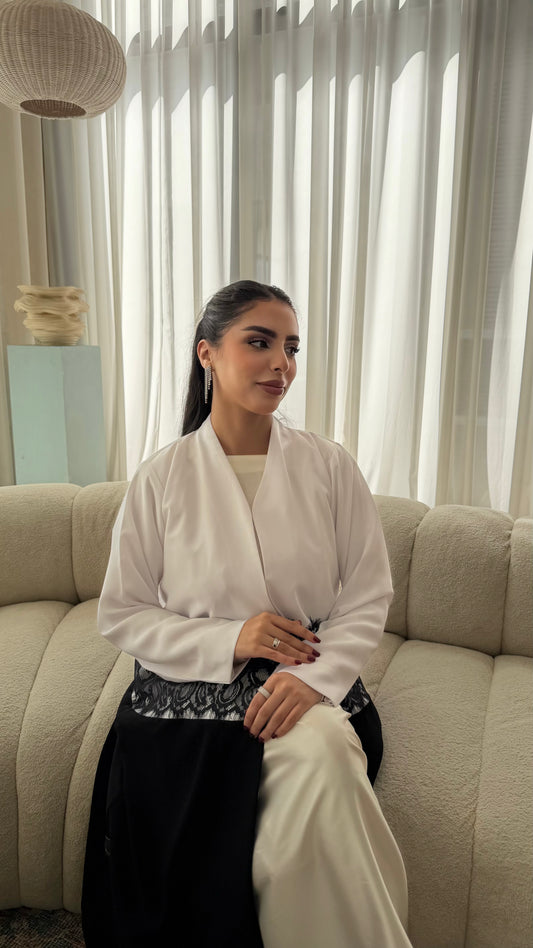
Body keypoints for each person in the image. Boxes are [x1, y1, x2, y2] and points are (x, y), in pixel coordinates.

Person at [81, 280, 413, 948]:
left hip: (304, 675)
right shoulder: (161, 478)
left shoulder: (329, 466)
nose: (280, 363)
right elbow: (123, 613)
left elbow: (367, 593)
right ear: (207, 353)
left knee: (322, 753)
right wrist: (234, 637)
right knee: (307, 776)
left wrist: (315, 680)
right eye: (259, 342)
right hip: (188, 691)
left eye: (291, 347)